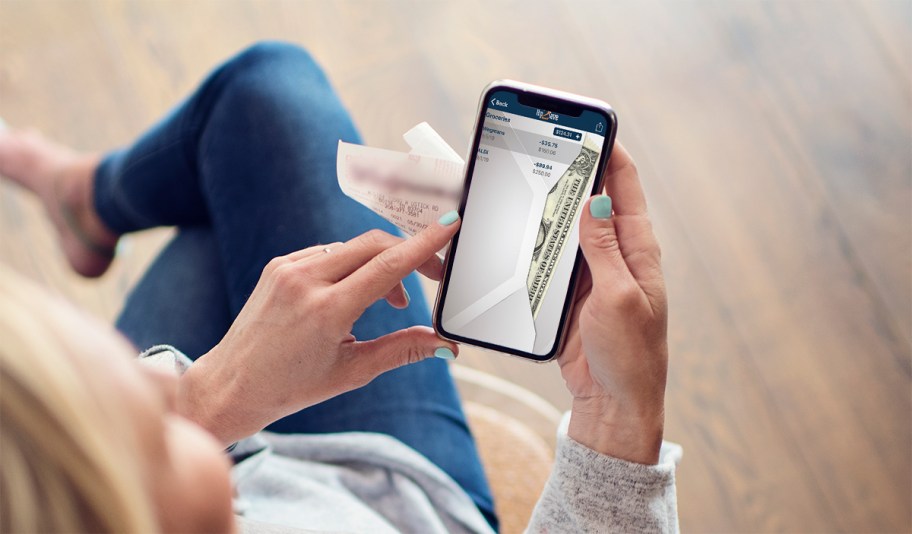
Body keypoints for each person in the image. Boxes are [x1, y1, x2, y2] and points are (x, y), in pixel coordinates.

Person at [0, 41, 680, 533]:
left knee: (258, 113)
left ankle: (84, 200)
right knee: (243, 157)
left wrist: (209, 402)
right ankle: (83, 200)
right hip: (411, 511)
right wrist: (616, 416)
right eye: (153, 435)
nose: (170, 384)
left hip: (310, 476)